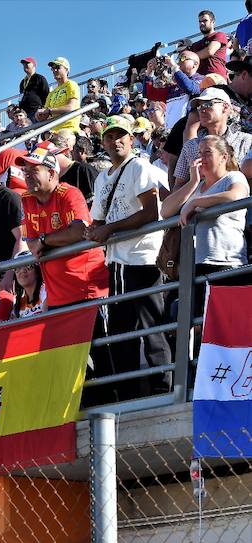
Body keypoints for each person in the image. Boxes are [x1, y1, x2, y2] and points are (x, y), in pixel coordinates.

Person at [85, 115, 171, 398]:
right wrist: (90, 231)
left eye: (120, 135)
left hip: (143, 259)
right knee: (121, 332)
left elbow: (150, 211)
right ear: (103, 142)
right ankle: (129, 393)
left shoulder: (140, 166)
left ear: (131, 139)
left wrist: (110, 228)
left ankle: (162, 388)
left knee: (151, 328)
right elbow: (98, 220)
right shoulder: (101, 178)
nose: (115, 140)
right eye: (109, 136)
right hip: (116, 263)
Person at [162, 135, 250, 310]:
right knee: (198, 323)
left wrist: (195, 203)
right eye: (199, 153)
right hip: (198, 264)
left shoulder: (233, 177)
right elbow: (165, 211)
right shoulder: (198, 186)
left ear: (224, 157)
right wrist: (193, 182)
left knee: (224, 323)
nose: (201, 158)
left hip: (227, 262)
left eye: (207, 152)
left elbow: (235, 196)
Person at [18, 140, 109, 308]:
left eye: (34, 170)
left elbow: (79, 231)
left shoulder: (69, 194)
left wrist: (44, 241)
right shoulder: (26, 200)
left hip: (86, 289)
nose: (27, 175)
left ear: (51, 174)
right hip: (55, 295)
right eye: (25, 171)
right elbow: (31, 243)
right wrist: (51, 240)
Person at [173, 88, 252, 190]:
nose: (202, 110)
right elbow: (178, 185)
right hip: (199, 204)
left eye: (208, 104)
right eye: (199, 107)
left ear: (225, 107)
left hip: (237, 203)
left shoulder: (246, 141)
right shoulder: (190, 146)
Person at [35, 57, 81, 134]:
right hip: (54, 131)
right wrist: (39, 115)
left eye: (57, 67)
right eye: (52, 68)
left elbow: (71, 107)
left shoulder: (71, 84)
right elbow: (45, 115)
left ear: (66, 70)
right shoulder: (52, 93)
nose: (54, 70)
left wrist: (48, 111)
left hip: (69, 129)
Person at [189, 9, 229, 77]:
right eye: (200, 21)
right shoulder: (195, 44)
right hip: (199, 81)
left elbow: (209, 51)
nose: (201, 23)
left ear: (213, 22)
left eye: (205, 21)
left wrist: (190, 57)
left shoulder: (220, 35)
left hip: (216, 78)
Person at [10, 251, 47, 319]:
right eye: (17, 268)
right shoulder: (17, 304)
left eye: (28, 266)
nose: (22, 271)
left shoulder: (46, 291)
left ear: (37, 271)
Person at [18, 57, 50, 121]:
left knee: (38, 130)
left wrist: (42, 109)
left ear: (34, 65)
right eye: (23, 64)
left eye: (27, 63)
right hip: (25, 114)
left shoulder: (40, 78)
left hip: (36, 112)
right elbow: (21, 96)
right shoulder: (22, 82)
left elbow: (46, 94)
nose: (25, 65)